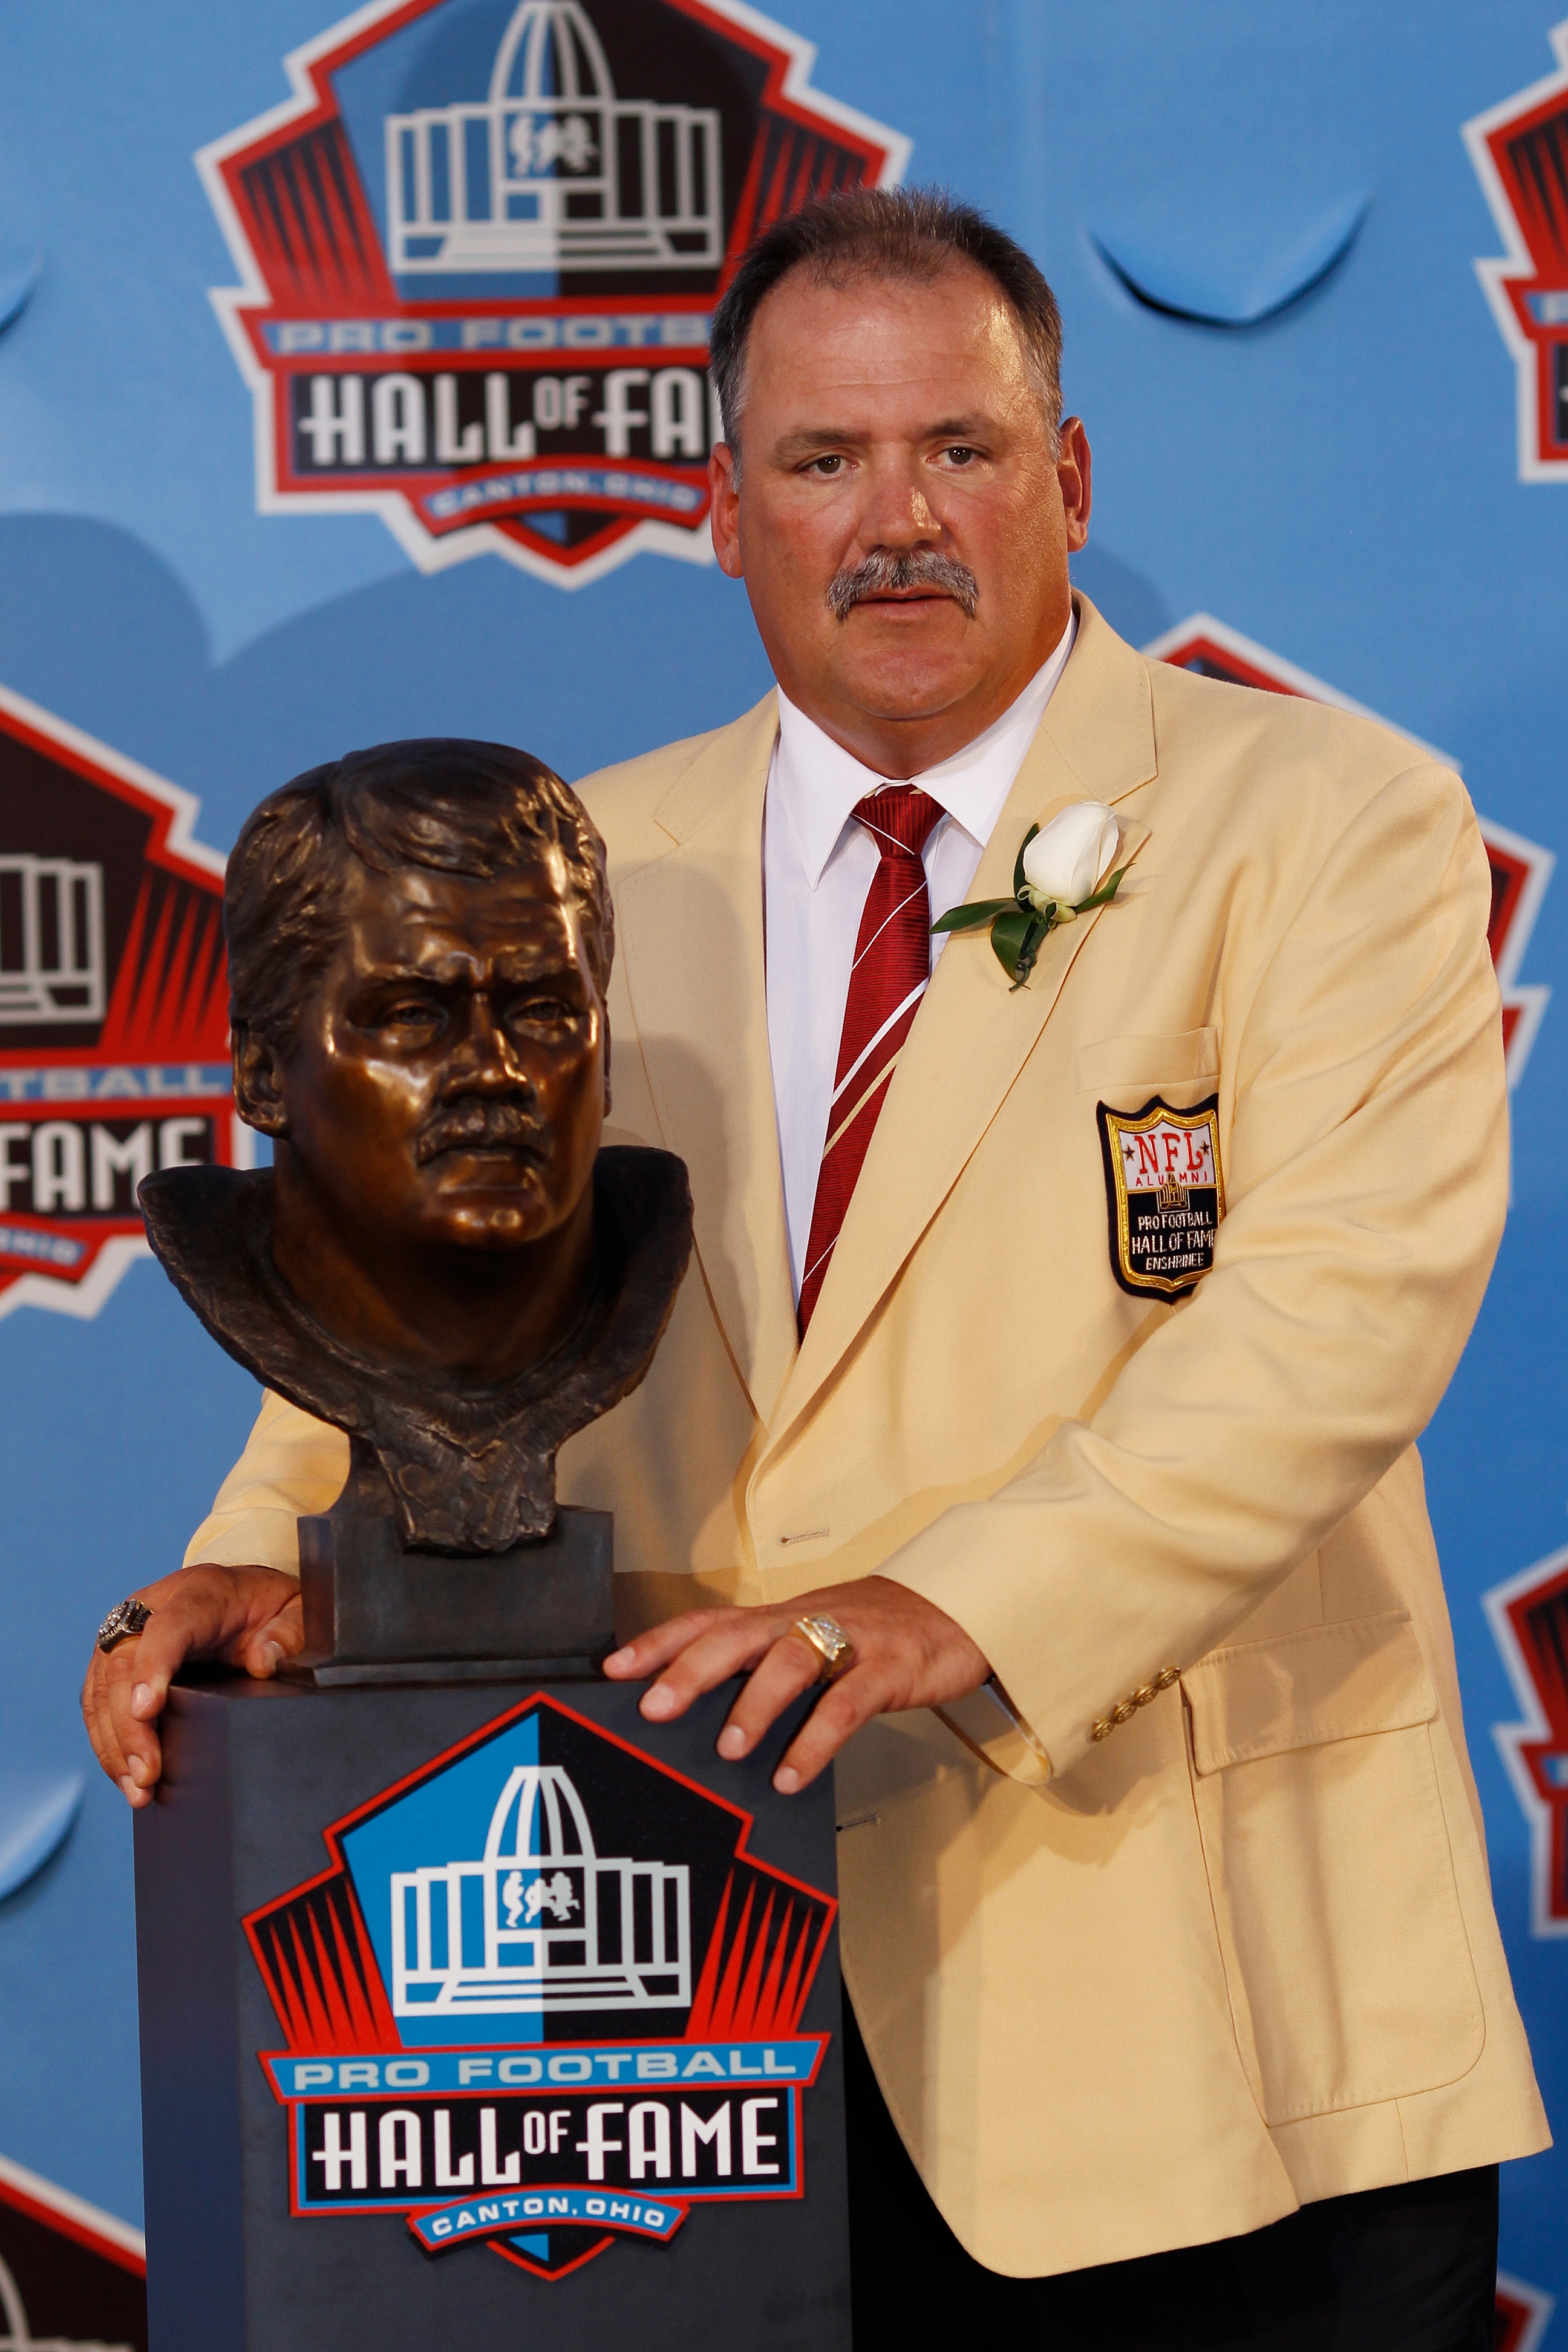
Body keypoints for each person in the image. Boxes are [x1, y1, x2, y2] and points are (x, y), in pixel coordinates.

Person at [85, 188, 1546, 2347]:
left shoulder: (1320, 816)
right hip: (693, 2053)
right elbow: (411, 1283)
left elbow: (1342, 1311)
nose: (897, 523)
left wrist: (969, 1603)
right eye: (821, 461)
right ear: (723, 504)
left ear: (1066, 479)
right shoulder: (583, 863)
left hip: (1205, 2051)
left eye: (958, 449)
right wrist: (255, 1556)